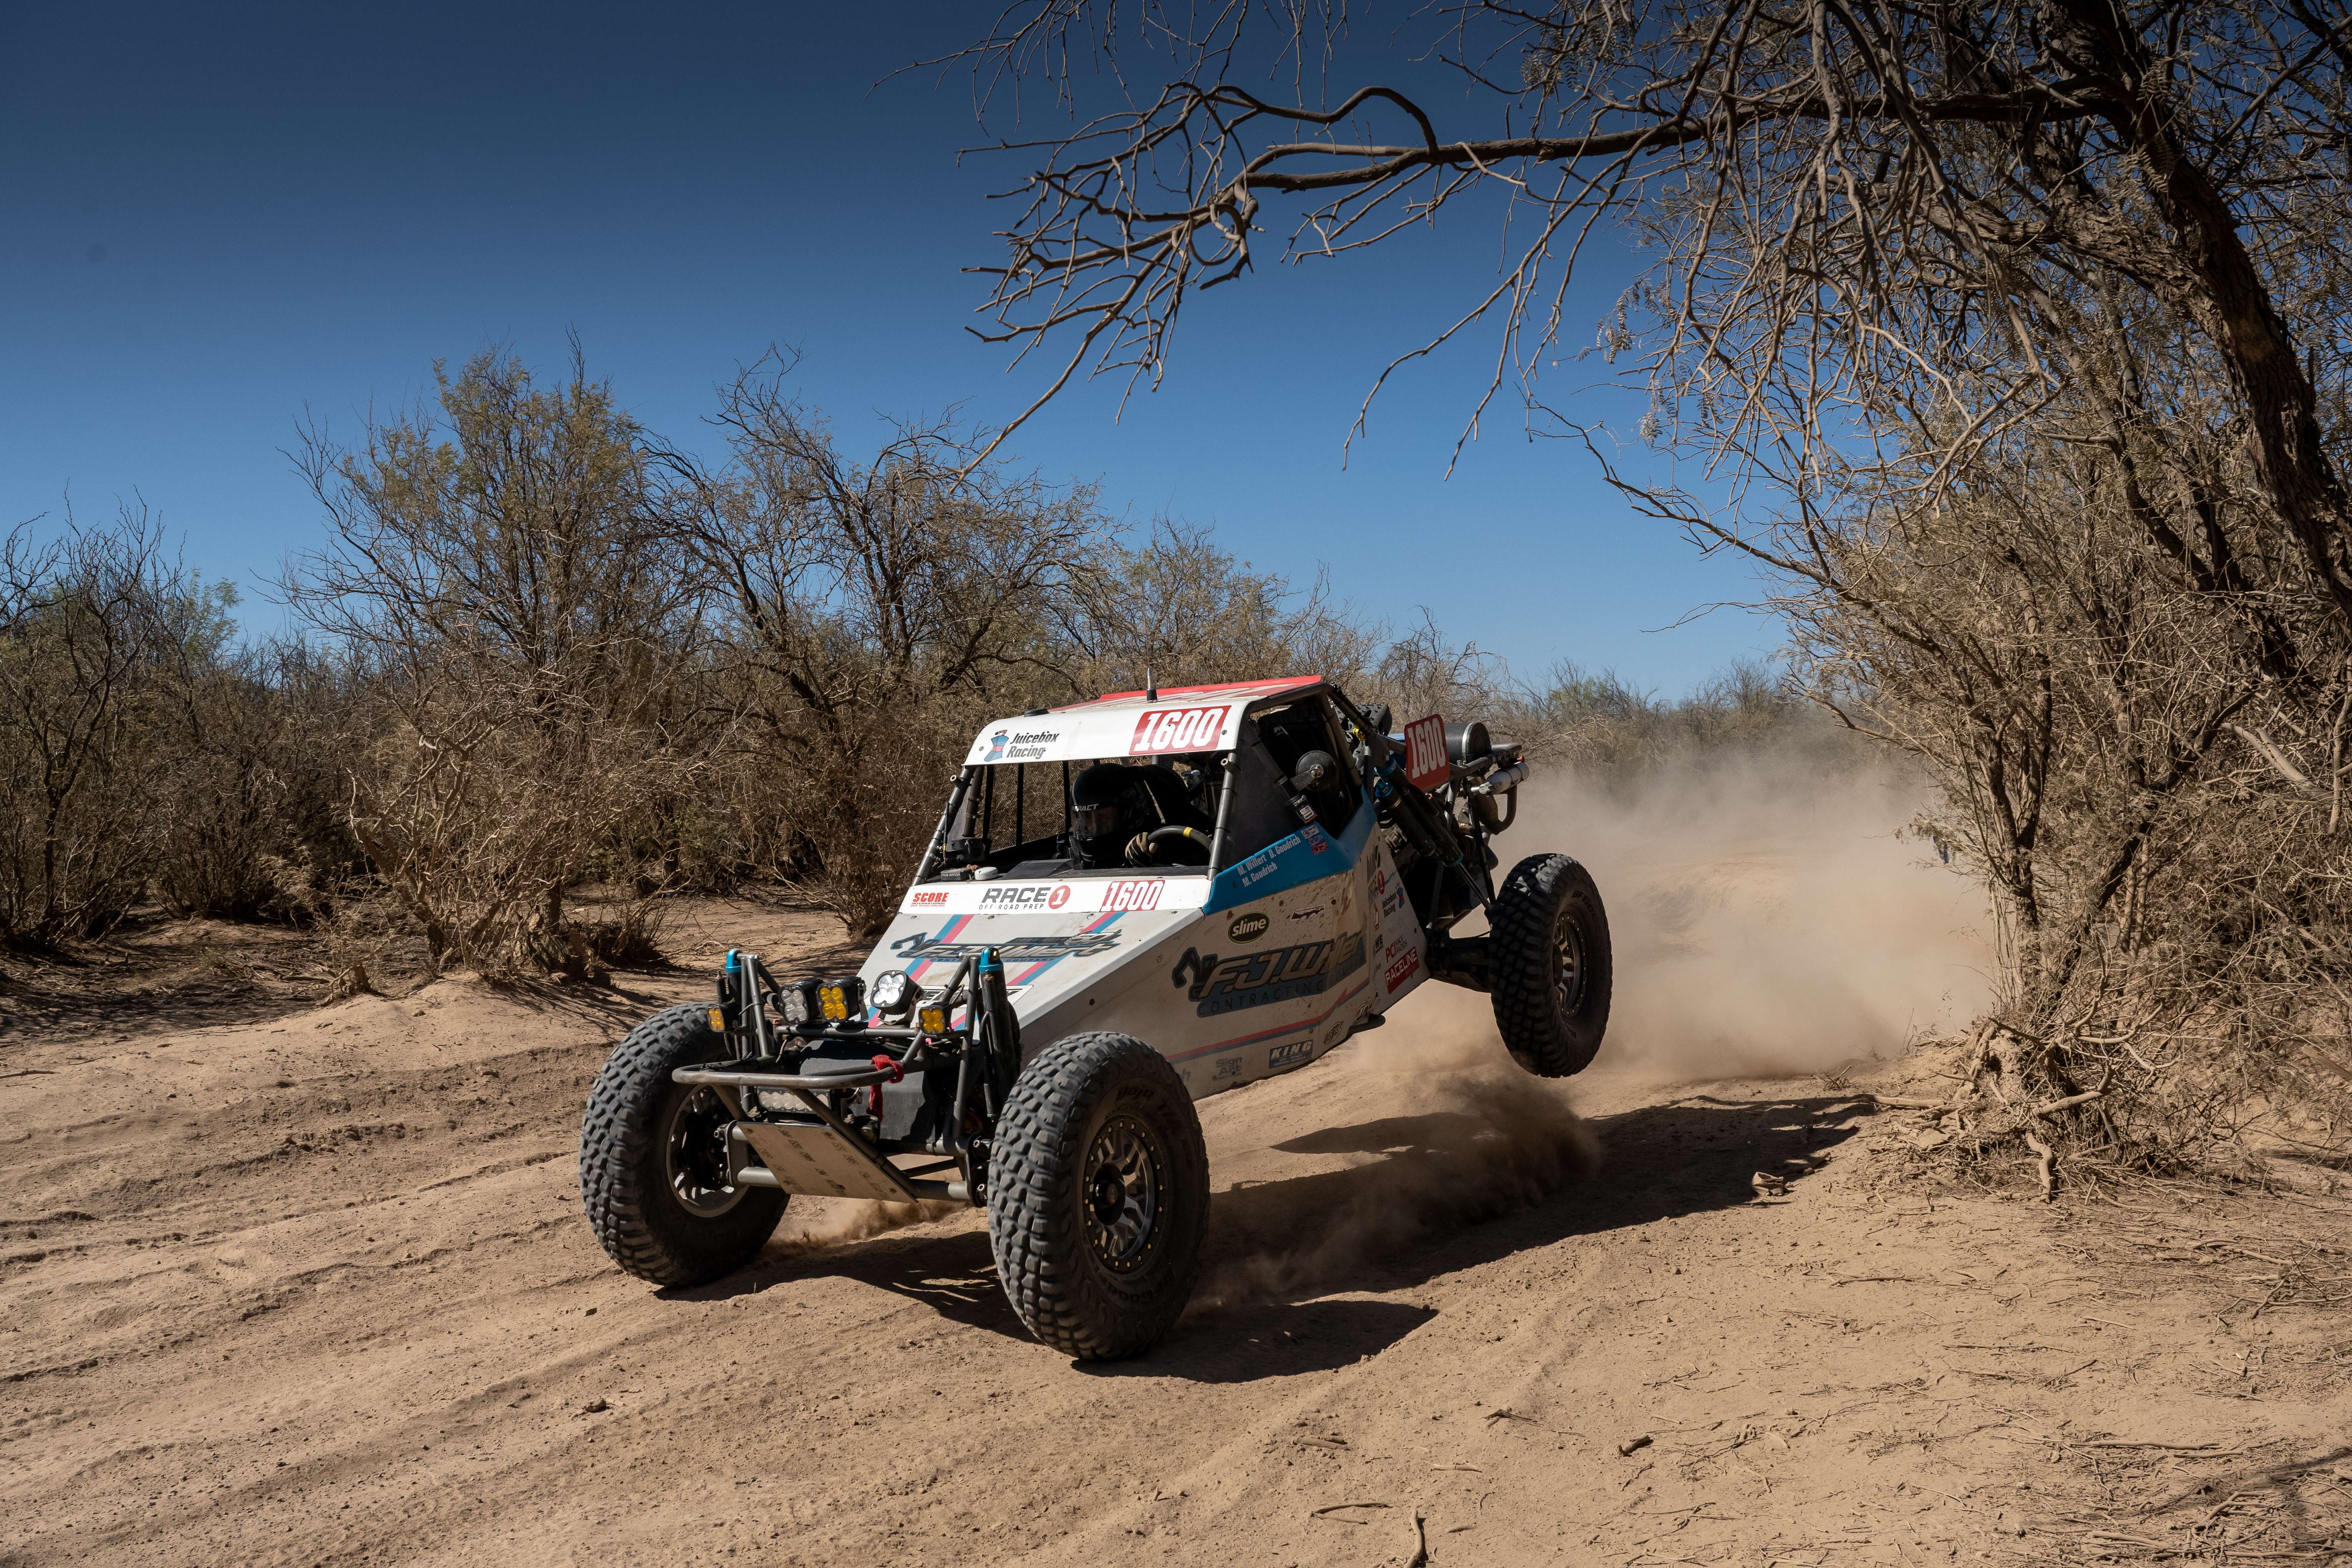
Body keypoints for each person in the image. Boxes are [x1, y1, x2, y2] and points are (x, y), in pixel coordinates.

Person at [1070, 762, 1214, 867]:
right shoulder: (1075, 856)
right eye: (1086, 820)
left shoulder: (1169, 846)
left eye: (1103, 818)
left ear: (1128, 812)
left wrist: (1149, 868)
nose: (1091, 828)